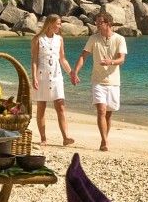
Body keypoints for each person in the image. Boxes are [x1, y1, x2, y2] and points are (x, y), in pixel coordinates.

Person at [76, 12, 128, 151]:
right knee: (101, 110)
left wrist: (110, 61)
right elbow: (83, 56)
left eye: (100, 22)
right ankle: (104, 141)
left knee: (109, 114)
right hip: (97, 80)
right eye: (96, 22)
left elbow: (122, 59)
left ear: (108, 23)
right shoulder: (93, 38)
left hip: (114, 81)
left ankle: (104, 137)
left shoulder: (119, 39)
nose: (97, 25)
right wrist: (75, 72)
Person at [30, 15, 78, 146]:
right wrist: (33, 77)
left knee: (61, 106)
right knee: (41, 107)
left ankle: (66, 137)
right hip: (42, 76)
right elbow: (34, 60)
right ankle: (43, 138)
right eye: (58, 23)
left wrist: (71, 73)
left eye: (60, 23)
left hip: (57, 76)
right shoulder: (37, 39)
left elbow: (62, 59)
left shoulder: (60, 39)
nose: (60, 26)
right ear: (50, 23)